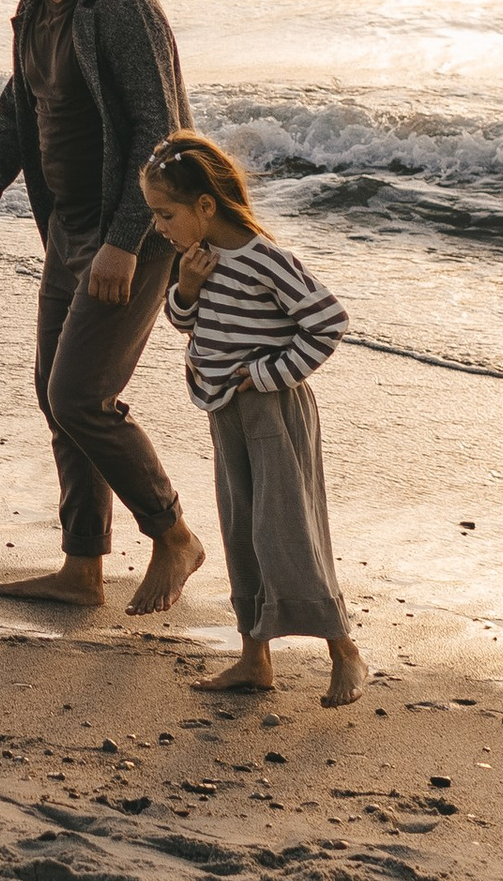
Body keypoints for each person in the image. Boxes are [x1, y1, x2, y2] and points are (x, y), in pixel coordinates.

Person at [0, 0, 203, 615]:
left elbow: (161, 129)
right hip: (68, 232)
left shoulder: (119, 5)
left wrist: (124, 241)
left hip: (134, 235)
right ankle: (82, 568)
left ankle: (173, 532)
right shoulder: (34, 10)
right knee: (55, 393)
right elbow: (18, 115)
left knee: (80, 395)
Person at [143, 129, 362, 706]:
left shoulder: (265, 260)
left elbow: (329, 321)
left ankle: (345, 654)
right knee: (241, 530)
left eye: (165, 213)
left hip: (272, 413)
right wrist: (186, 288)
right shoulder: (193, 259)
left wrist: (267, 374)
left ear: (205, 206)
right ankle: (253, 658)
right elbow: (185, 322)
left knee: (284, 532)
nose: (158, 226)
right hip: (224, 410)